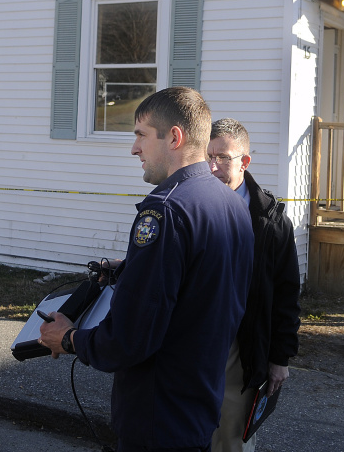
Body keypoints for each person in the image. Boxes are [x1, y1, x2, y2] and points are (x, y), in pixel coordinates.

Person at [40, 87, 253, 452]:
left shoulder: (165, 211)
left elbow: (131, 338)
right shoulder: (231, 204)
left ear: (174, 137)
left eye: (141, 135)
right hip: (200, 403)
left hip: (159, 416)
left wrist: (69, 337)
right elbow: (202, 286)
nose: (134, 149)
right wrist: (131, 269)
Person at [208, 118, 301, 452]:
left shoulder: (271, 221)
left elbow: (287, 293)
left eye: (223, 157)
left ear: (244, 162)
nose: (213, 165)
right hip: (196, 344)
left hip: (242, 348)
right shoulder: (195, 205)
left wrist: (280, 358)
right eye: (208, 157)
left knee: (230, 440)